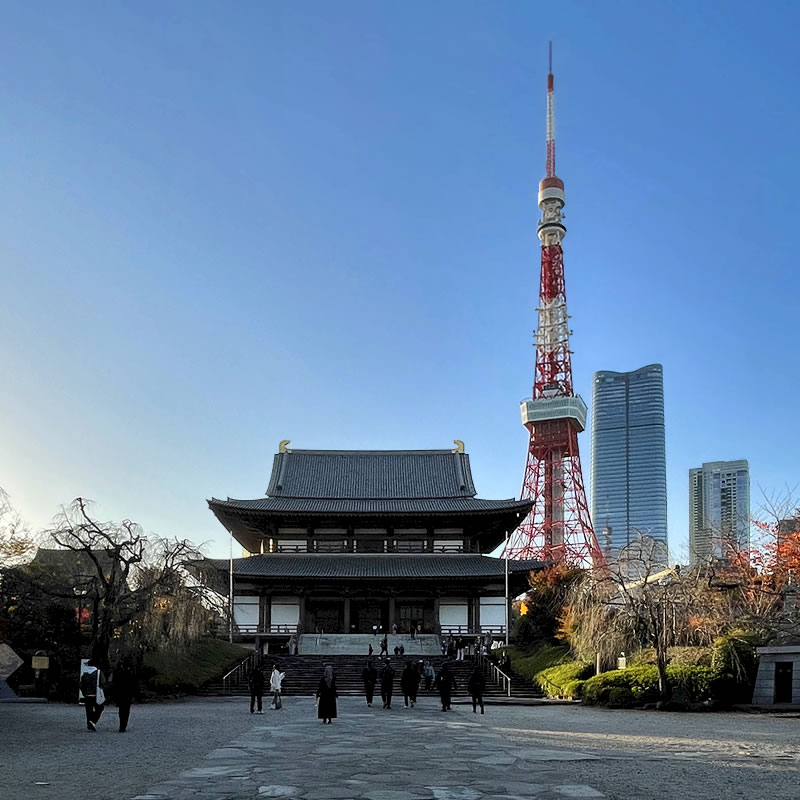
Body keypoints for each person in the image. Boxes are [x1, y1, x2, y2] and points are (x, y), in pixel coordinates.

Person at [80, 659, 106, 731]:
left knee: (88, 710)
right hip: (96, 694)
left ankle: (89, 724)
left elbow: (82, 685)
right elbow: (103, 682)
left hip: (87, 695)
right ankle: (93, 721)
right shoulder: (99, 673)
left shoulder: (84, 674)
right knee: (100, 708)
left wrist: (84, 693)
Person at [111, 661, 137, 733]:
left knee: (121, 710)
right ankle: (123, 725)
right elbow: (134, 684)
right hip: (127, 694)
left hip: (120, 694)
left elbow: (114, 684)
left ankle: (121, 725)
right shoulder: (130, 673)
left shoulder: (117, 673)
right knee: (126, 710)